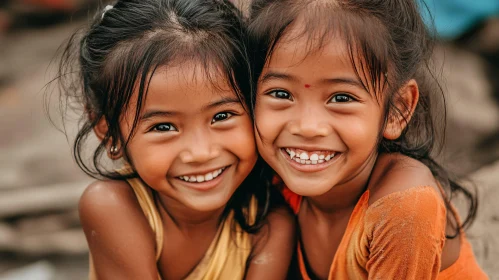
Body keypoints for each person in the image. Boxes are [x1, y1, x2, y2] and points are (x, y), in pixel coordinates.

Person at [248, 0, 488, 279]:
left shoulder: (404, 208)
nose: (308, 127)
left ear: (397, 110)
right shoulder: (275, 184)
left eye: (341, 98)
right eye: (280, 94)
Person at [57, 0, 295, 279]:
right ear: (108, 131)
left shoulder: (269, 226)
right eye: (164, 127)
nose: (200, 152)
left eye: (222, 116)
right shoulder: (113, 206)